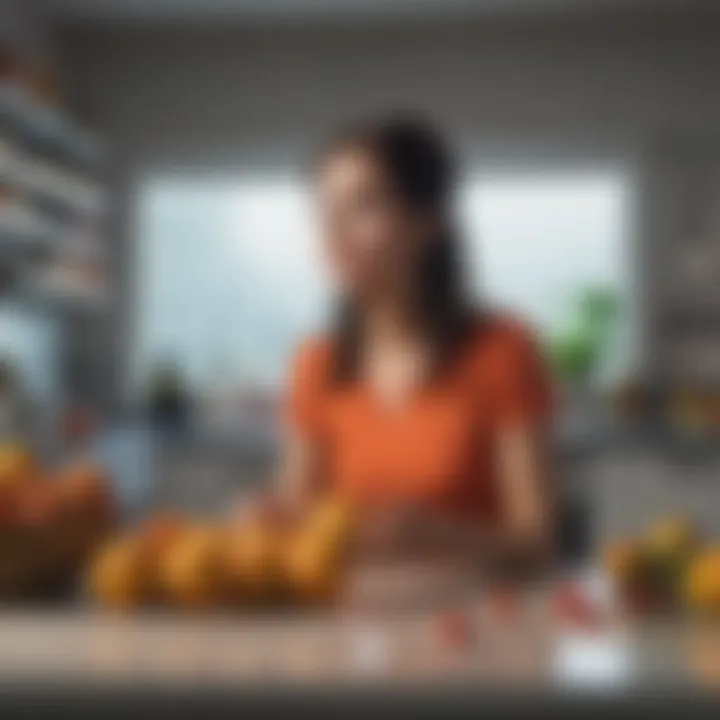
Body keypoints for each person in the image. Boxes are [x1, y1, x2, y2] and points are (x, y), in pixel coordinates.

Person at [276, 116, 555, 577]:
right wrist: (268, 520)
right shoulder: (315, 363)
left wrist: (438, 535)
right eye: (323, 208)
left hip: (478, 628)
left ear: (428, 222)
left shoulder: (502, 351)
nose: (332, 228)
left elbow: (537, 543)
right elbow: (293, 523)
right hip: (347, 631)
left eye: (363, 205)